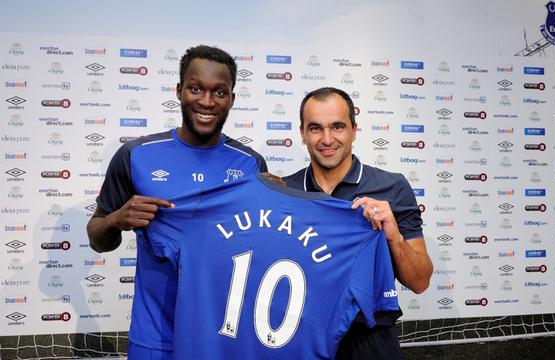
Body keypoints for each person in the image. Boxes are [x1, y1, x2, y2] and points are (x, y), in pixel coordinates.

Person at [86, 45, 267, 359]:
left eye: (219, 92)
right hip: (155, 338)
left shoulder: (252, 165)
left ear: (232, 99)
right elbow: (97, 238)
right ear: (179, 90)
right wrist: (117, 219)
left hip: (226, 338)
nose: (207, 102)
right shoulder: (135, 155)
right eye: (196, 89)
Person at [283, 87, 433, 359]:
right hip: (300, 341)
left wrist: (394, 237)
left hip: (370, 342)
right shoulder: (285, 192)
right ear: (302, 133)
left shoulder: (393, 187)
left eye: (337, 127)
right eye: (315, 128)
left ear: (353, 129)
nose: (327, 139)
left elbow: (421, 281)